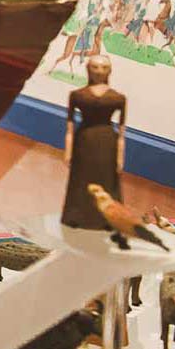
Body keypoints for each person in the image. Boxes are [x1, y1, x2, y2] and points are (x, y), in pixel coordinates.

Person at [61, 55, 128, 231]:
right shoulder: (77, 95)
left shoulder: (118, 98)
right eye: (96, 67)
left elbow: (122, 132)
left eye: (104, 67)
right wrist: (68, 151)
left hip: (108, 142)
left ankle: (107, 218)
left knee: (106, 179)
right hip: (84, 140)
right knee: (81, 179)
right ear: (88, 69)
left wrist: (120, 157)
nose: (99, 71)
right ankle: (77, 215)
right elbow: (69, 126)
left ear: (110, 70)